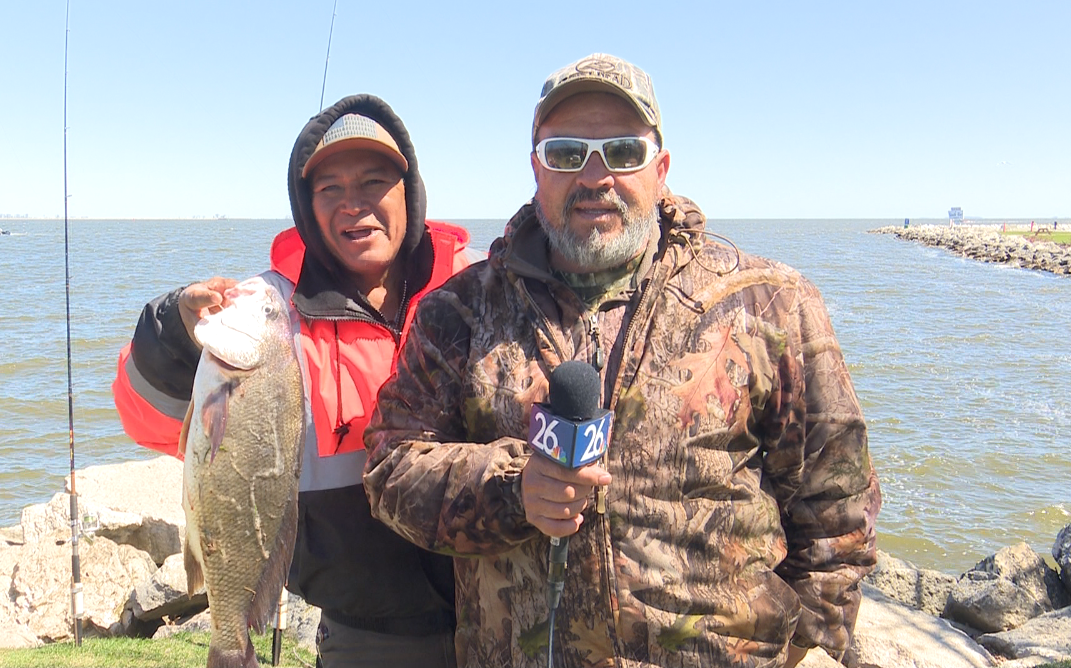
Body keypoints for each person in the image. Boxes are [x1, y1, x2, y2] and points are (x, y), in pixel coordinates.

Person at [363, 54, 881, 668]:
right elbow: (389, 468)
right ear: (536, 171)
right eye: (566, 154)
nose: (595, 175)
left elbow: (835, 500)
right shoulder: (458, 311)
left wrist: (814, 643)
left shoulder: (770, 303)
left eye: (622, 152)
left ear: (661, 169)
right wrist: (510, 490)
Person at [113, 94, 482, 668]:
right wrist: (176, 333)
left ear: (408, 189)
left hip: (503, 613)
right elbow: (147, 421)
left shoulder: (477, 287)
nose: (353, 205)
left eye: (373, 181)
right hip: (368, 635)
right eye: (329, 189)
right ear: (306, 206)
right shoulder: (272, 308)